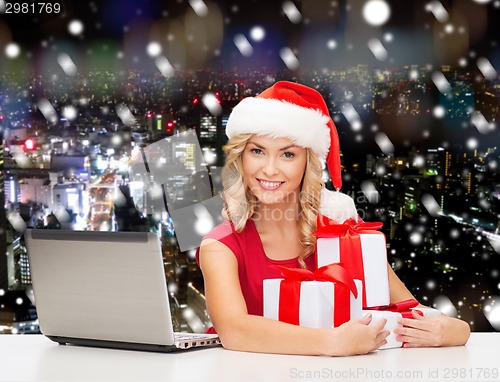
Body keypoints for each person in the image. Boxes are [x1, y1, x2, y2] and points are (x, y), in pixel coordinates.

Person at [197, 81, 470, 356]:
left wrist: (456, 330)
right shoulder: (221, 246)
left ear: (308, 163)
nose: (269, 169)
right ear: (241, 157)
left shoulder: (345, 233)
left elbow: (409, 310)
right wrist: (331, 342)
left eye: (288, 154)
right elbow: (234, 331)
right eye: (257, 151)